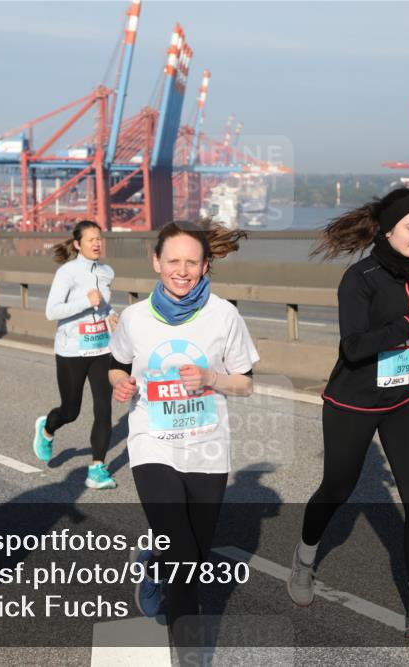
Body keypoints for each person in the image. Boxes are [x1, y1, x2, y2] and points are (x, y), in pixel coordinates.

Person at [287, 188, 409, 639]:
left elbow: (400, 331)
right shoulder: (359, 278)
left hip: (404, 398)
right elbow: (355, 346)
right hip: (353, 401)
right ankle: (304, 560)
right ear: (387, 231)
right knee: (336, 488)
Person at [108, 220, 259, 649]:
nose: (182, 270)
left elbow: (245, 382)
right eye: (173, 260)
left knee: (194, 551)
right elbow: (115, 363)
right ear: (156, 262)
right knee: (185, 559)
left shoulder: (224, 315)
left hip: (207, 447)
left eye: (192, 262)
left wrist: (212, 377)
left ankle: (152, 565)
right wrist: (120, 383)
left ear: (206, 266)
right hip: (151, 443)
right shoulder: (136, 318)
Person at [34, 221, 118, 490]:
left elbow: (103, 305)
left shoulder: (107, 271)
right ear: (77, 244)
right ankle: (47, 429)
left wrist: (111, 315)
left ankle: (97, 469)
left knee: (104, 409)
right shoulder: (67, 273)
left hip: (102, 348)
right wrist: (87, 301)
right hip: (71, 350)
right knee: (71, 410)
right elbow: (52, 311)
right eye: (91, 239)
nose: (97, 243)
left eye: (99, 239)